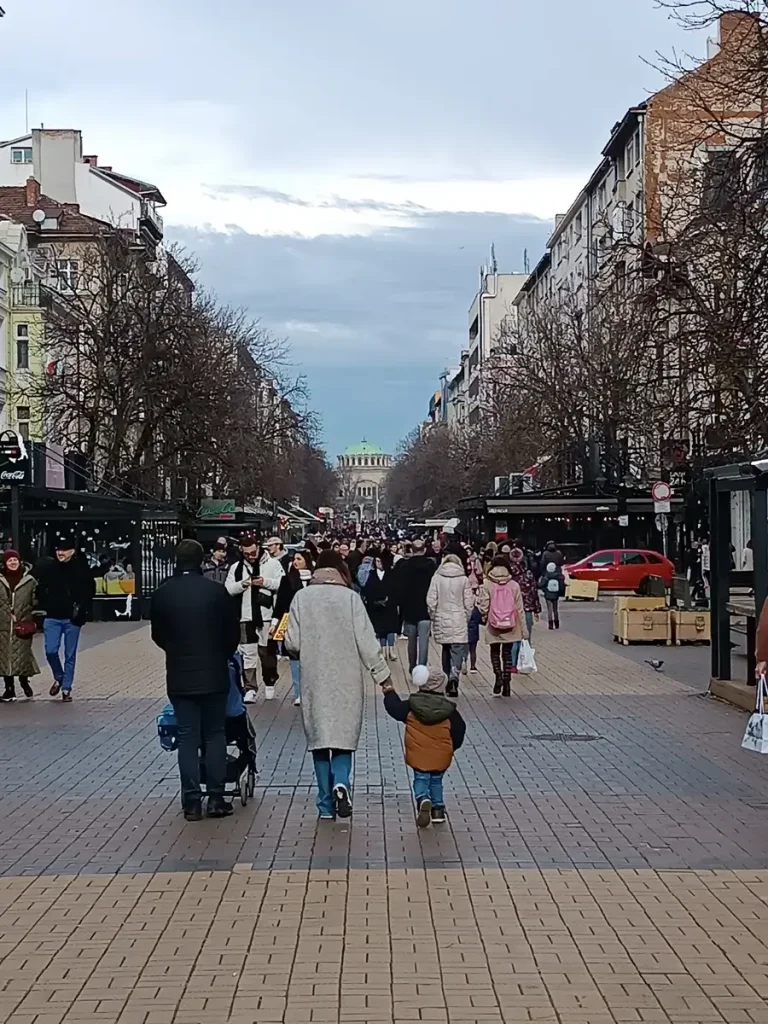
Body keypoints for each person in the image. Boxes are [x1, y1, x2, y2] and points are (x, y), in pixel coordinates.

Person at [285, 550, 390, 820]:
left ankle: (324, 804)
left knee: (320, 742)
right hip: (347, 679)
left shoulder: (302, 598)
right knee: (343, 739)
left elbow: (293, 643)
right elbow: (367, 642)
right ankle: (342, 782)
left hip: (314, 679)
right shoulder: (351, 598)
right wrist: (383, 677)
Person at [151, 539, 240, 820]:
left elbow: (158, 634)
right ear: (201, 560)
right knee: (215, 734)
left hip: (179, 673)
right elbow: (232, 632)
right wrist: (221, 653)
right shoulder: (216, 592)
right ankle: (216, 798)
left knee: (188, 736)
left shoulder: (163, 593)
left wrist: (175, 651)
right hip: (213, 671)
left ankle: (191, 801)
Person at [382, 665, 465, 827]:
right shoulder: (449, 711)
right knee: (436, 781)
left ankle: (422, 799)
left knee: (421, 777)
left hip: (419, 753)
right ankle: (438, 810)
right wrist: (451, 748)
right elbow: (459, 730)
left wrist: (389, 691)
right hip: (441, 754)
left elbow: (394, 709)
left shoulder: (411, 706)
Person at [34, 536, 95, 702]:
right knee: (50, 650)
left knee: (70, 654)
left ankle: (66, 688)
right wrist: (45, 601)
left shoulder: (80, 569)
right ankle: (59, 676)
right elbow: (40, 588)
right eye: (58, 550)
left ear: (72, 551)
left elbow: (90, 590)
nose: (60, 553)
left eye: (64, 550)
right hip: (53, 616)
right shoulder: (50, 568)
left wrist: (83, 609)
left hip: (72, 618)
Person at [226, 534, 284, 702]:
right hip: (245, 616)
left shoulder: (273, 564)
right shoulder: (236, 568)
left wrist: (264, 582)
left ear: (259, 548)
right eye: (247, 554)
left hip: (266, 616)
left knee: (267, 652)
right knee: (248, 653)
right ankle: (250, 687)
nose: (251, 556)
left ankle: (270, 682)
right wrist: (242, 584)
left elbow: (282, 584)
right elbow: (228, 589)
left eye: (253, 552)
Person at [476, 556, 528, 697]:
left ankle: (497, 676)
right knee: (507, 653)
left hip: (494, 624)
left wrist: (484, 616)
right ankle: (507, 682)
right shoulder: (513, 585)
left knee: (494, 652)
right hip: (511, 624)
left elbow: (484, 605)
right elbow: (520, 608)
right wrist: (524, 629)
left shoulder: (488, 584)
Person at [427, 553, 474, 698]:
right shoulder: (463, 579)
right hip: (459, 617)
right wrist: (466, 616)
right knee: (458, 650)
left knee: (445, 649)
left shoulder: (436, 578)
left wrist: (434, 616)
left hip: (442, 617)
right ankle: (454, 676)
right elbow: (469, 602)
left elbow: (431, 600)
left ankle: (447, 679)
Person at [272, 549, 314, 705]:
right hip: (293, 623)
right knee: (294, 657)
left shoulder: (316, 579)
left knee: (311, 659)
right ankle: (299, 693)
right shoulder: (287, 580)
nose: (295, 562)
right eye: (294, 559)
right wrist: (274, 623)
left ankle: (312, 692)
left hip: (313, 625)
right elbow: (280, 604)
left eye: (299, 559)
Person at [0, 550, 38, 701]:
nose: (13, 563)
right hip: (2, 624)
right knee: (4, 657)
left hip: (22, 623)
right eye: (9, 561)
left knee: (22, 656)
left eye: (15, 560)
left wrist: (28, 612)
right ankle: (9, 689)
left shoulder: (29, 581)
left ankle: (24, 681)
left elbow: (35, 600)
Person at [394, 538, 436, 672]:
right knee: (424, 640)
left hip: (409, 608)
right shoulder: (431, 566)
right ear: (424, 550)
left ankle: (412, 667)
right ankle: (422, 668)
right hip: (425, 608)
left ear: (411, 550)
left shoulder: (404, 566)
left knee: (411, 640)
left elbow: (399, 588)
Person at [507, 547, 541, 666]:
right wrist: (537, 610)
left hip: (511, 609)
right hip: (526, 609)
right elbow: (534, 592)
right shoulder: (528, 574)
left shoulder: (507, 575)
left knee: (513, 637)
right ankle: (525, 661)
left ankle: (512, 663)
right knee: (526, 636)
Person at [363, 550, 399, 660]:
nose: (378, 563)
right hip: (377, 606)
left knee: (391, 629)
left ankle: (391, 650)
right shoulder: (372, 574)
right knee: (380, 629)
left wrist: (390, 600)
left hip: (390, 605)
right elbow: (368, 590)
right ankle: (383, 650)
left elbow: (396, 589)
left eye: (380, 561)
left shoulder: (392, 574)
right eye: (377, 561)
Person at [539, 560, 565, 629]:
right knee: (555, 609)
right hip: (555, 594)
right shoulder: (558, 576)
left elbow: (541, 585)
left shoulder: (546, 576)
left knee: (549, 609)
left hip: (548, 594)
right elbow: (562, 586)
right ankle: (557, 623)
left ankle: (550, 624)